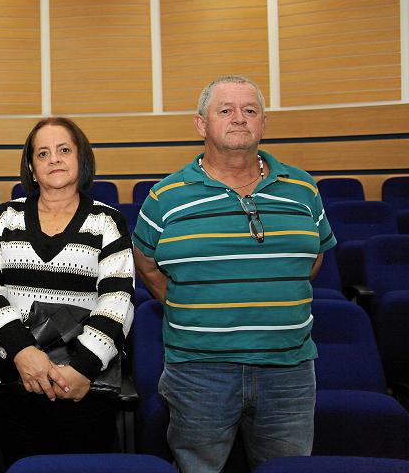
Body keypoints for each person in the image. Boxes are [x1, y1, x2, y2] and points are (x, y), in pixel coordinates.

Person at [132, 75, 336, 472]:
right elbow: (146, 263)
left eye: (250, 110)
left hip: (288, 372)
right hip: (199, 373)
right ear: (201, 124)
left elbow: (313, 261)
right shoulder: (165, 196)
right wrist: (187, 307)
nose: (239, 118)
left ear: (263, 122)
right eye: (225, 110)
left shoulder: (303, 188)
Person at [0, 117, 135, 466]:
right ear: (31, 167)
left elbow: (117, 299)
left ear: (81, 158)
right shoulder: (5, 217)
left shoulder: (107, 221)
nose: (54, 159)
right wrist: (23, 351)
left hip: (84, 382)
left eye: (64, 150)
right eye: (42, 153)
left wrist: (83, 368)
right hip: (17, 374)